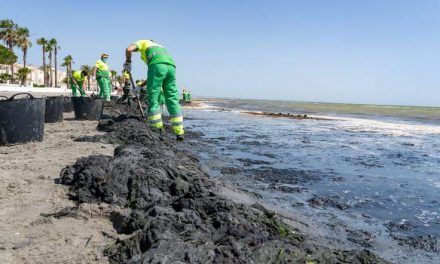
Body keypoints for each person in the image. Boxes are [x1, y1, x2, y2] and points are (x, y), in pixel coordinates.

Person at [124, 39, 184, 140]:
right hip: (171, 67)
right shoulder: (160, 47)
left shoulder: (143, 42)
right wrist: (140, 86)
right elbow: (158, 74)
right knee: (172, 99)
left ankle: (157, 129)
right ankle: (179, 132)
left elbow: (129, 49)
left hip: (157, 66)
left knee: (153, 98)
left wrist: (128, 61)